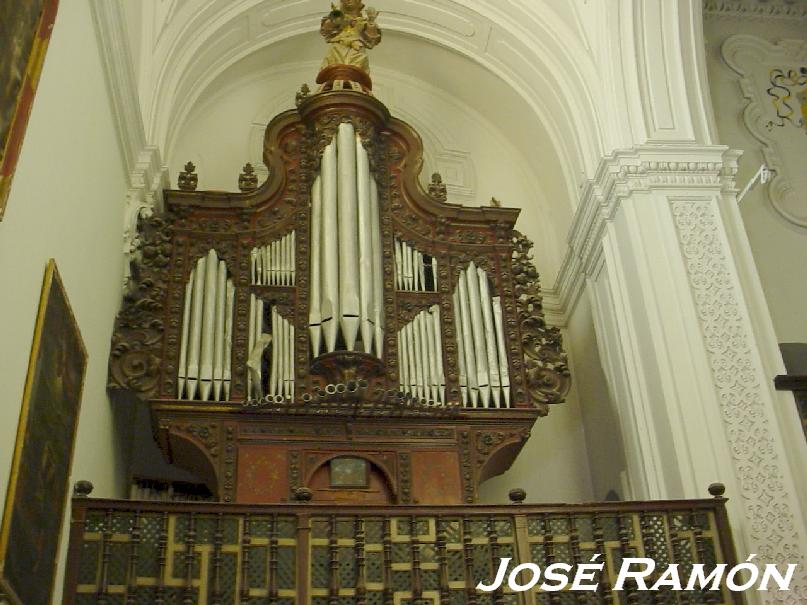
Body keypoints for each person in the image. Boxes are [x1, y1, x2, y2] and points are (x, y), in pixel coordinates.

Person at [320, 0, 382, 74]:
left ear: (358, 2)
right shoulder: (338, 18)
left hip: (357, 50)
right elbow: (325, 31)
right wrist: (334, 19)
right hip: (338, 47)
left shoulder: (363, 22)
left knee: (356, 69)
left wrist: (371, 21)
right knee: (333, 67)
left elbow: (372, 39)